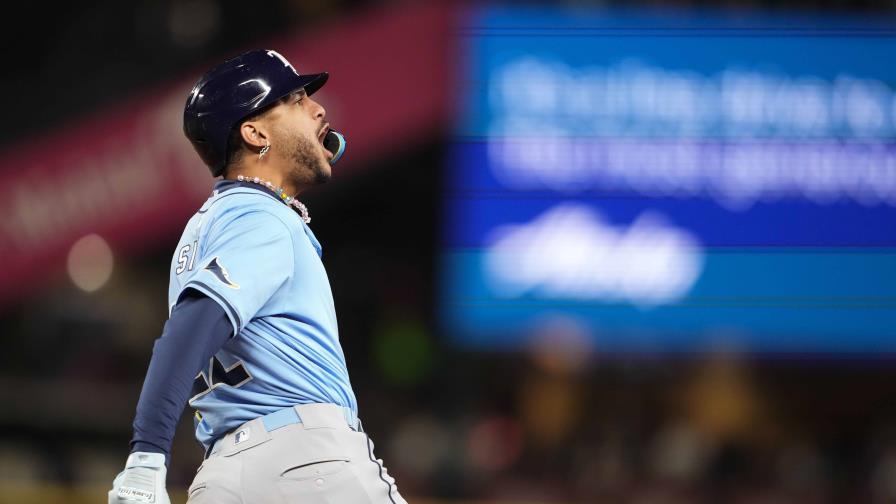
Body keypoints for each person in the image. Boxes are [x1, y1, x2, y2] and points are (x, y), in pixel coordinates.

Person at [108, 49, 405, 504]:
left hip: (223, 478)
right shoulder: (260, 216)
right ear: (254, 132)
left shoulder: (203, 228)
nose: (318, 109)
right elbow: (191, 328)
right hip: (310, 467)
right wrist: (146, 455)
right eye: (296, 99)